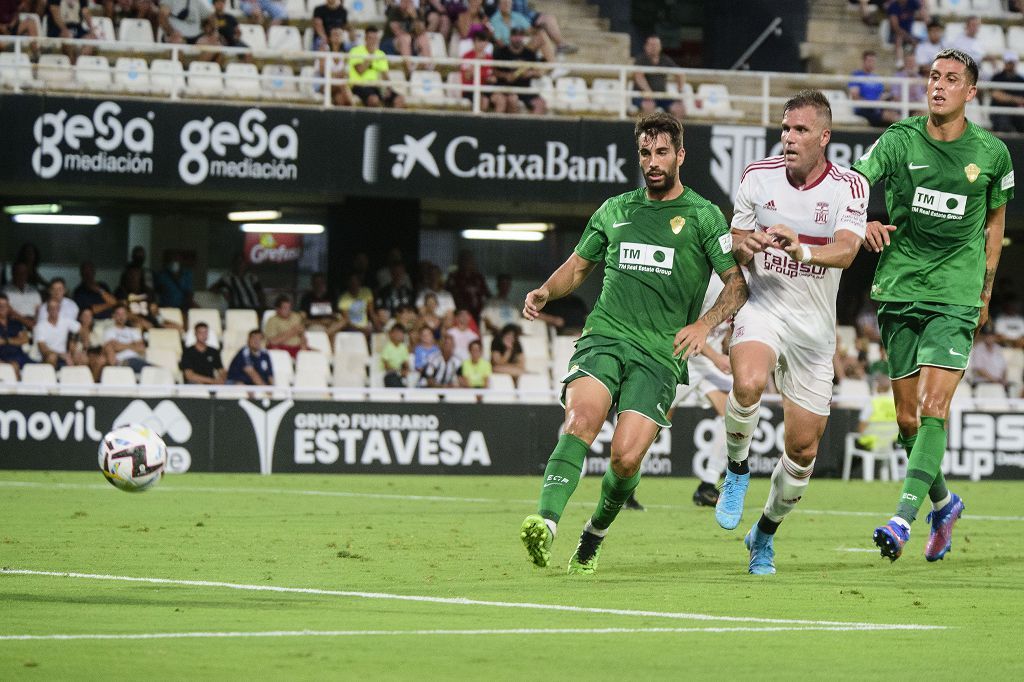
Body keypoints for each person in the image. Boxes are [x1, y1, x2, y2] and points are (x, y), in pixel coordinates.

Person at [518, 112, 747, 575]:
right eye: (646, 152)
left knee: (624, 460)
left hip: (659, 356)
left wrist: (703, 326)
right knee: (580, 422)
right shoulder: (615, 209)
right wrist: (546, 289)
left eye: (662, 152)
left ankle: (595, 533)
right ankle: (545, 520)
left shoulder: (703, 216)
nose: (653, 161)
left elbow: (736, 285)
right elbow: (578, 268)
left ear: (680, 156)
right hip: (605, 337)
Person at [852, 48, 1013, 562]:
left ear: (971, 92)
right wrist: (862, 221)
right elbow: (853, 184)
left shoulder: (992, 154)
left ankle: (902, 518)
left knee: (933, 407)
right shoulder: (900, 140)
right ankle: (943, 504)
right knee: (906, 421)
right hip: (899, 286)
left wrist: (985, 291)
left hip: (956, 293)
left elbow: (995, 224)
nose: (938, 85)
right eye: (932, 77)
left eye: (951, 79)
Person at [716, 90, 869, 575]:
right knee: (747, 382)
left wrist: (802, 250)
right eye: (785, 128)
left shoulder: (849, 187)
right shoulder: (756, 178)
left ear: (824, 137)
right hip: (764, 307)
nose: (788, 137)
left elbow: (847, 251)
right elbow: (733, 244)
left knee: (802, 452)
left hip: (815, 332)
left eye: (800, 130)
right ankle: (737, 468)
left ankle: (763, 533)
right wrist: (748, 244)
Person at [633, 35, 686, 119]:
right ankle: (649, 131)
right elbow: (639, 77)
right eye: (651, 45)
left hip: (662, 95)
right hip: (643, 95)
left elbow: (679, 73)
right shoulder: (641, 59)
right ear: (645, 46)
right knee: (649, 107)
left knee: (679, 108)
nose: (653, 47)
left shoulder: (665, 59)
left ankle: (673, 131)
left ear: (660, 47)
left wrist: (680, 91)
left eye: (656, 45)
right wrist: (649, 93)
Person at [849, 50, 900, 127]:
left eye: (873, 61)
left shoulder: (877, 78)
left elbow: (881, 95)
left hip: (877, 108)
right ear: (863, 61)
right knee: (888, 118)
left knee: (895, 115)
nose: (871, 63)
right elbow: (855, 97)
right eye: (869, 61)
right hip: (863, 109)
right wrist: (872, 103)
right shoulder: (856, 75)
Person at [35, 298, 82, 369]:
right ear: (47, 309)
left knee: (81, 357)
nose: (54, 310)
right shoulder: (40, 326)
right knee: (52, 357)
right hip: (46, 357)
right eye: (51, 308)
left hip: (64, 356)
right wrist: (61, 355)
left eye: (56, 307)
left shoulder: (65, 321)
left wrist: (75, 344)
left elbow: (82, 330)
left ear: (59, 309)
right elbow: (43, 349)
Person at [102, 303, 149, 373]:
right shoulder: (109, 331)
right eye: (118, 314)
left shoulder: (133, 331)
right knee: (153, 371)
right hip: (122, 361)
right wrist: (133, 344)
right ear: (113, 316)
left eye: (123, 314)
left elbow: (141, 348)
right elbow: (113, 347)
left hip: (137, 360)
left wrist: (121, 345)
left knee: (157, 372)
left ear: (127, 316)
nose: (121, 317)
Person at [989, 51, 1024, 134]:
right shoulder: (997, 77)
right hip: (999, 112)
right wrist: (1016, 99)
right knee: (1004, 125)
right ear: (1005, 62)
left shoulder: (1020, 79)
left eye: (1012, 62)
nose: (1011, 64)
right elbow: (996, 95)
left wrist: (1007, 98)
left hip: (1016, 113)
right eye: (1009, 62)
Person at [2, 262, 42, 330]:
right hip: (15, 326)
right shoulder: (5, 291)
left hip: (34, 325)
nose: (21, 276)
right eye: (18, 273)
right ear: (13, 273)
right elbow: (9, 311)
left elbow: (39, 310)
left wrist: (35, 324)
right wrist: (27, 322)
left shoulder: (33, 291)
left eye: (24, 273)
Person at [0, 293, 31, 378]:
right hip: (3, 357)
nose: (2, 308)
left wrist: (5, 341)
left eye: (5, 305)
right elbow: (19, 340)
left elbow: (25, 339)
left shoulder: (15, 323)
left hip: (20, 355)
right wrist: (16, 340)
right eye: (0, 305)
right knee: (13, 366)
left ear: (8, 307)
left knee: (43, 368)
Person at [380, 323, 411, 387]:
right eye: (396, 333)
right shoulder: (387, 347)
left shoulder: (403, 347)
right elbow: (386, 364)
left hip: (400, 373)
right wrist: (395, 370)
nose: (398, 335)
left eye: (400, 333)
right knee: (392, 379)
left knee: (404, 378)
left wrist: (406, 370)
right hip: (389, 373)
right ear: (391, 334)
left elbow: (405, 362)